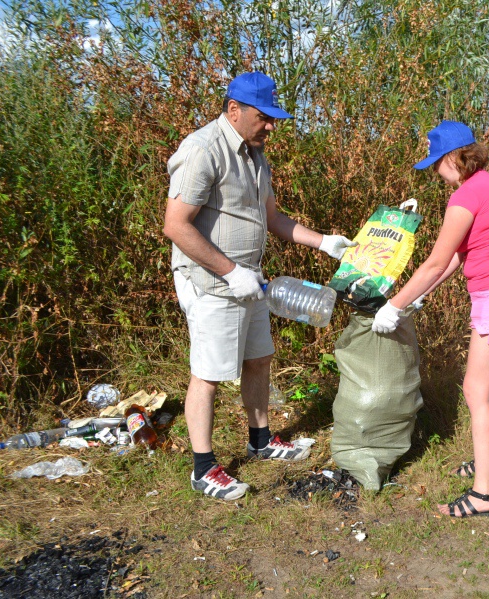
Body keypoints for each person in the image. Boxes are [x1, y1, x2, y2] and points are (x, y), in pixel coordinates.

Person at [163, 72, 356, 501]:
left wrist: (325, 242)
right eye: (264, 117)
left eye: (274, 119)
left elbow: (273, 219)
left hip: (250, 280)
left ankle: (261, 439)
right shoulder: (202, 150)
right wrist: (231, 271)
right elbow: (176, 225)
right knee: (209, 375)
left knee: (260, 358)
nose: (271, 126)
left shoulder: (255, 155)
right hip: (213, 282)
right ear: (235, 109)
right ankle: (203, 468)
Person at [372, 121, 489, 518]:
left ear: (452, 157)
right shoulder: (487, 186)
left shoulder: (465, 196)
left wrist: (393, 305)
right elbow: (458, 258)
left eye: (435, 164)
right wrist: (420, 295)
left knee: (475, 391)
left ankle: (485, 495)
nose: (435, 173)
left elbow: (433, 263)